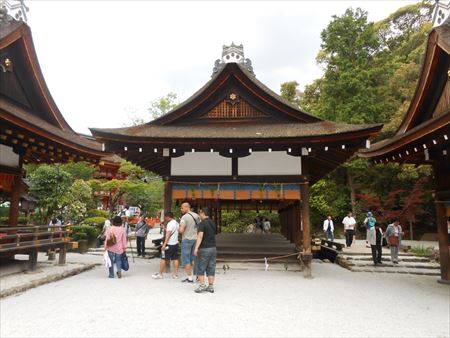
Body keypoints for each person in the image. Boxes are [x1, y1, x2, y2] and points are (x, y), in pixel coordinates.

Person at [194, 207, 217, 293]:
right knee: (211, 267)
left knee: (201, 267)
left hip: (204, 248)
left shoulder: (202, 224)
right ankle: (210, 286)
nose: (199, 215)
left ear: (203, 213)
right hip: (213, 248)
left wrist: (196, 248)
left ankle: (202, 285)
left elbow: (200, 236)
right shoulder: (212, 223)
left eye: (200, 213)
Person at [152, 212, 180, 279]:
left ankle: (160, 274)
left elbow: (168, 235)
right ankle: (175, 274)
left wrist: (164, 245)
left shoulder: (170, 224)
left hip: (169, 244)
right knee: (175, 258)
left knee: (163, 258)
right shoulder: (176, 223)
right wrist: (164, 228)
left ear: (168, 217)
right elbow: (172, 232)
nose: (165, 219)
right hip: (175, 243)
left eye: (165, 217)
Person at [179, 202, 201, 283]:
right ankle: (198, 276)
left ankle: (190, 277)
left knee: (186, 259)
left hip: (187, 240)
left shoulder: (184, 217)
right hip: (196, 239)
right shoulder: (197, 216)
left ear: (186, 207)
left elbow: (181, 230)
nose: (181, 209)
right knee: (194, 259)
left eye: (182, 208)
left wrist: (179, 228)